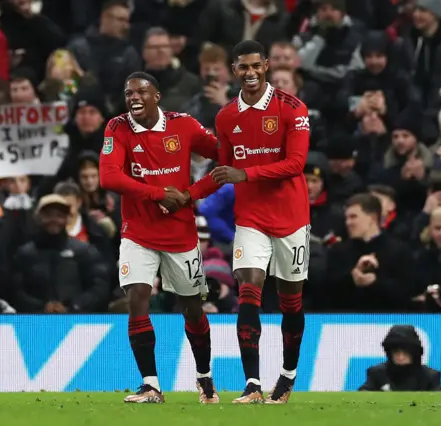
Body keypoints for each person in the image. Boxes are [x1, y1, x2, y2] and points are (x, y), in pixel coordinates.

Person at [186, 40, 311, 404]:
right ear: (234, 70)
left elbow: (295, 164)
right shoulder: (226, 117)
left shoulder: (293, 108)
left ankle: (286, 377)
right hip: (251, 220)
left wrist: (246, 174)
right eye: (243, 67)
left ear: (267, 66)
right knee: (248, 293)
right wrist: (187, 195)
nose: (251, 73)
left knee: (291, 303)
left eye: (256, 66)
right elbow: (224, 172)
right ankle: (252, 384)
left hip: (291, 218)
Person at [99, 71, 220, 404]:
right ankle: (151, 385)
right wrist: (157, 194)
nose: (134, 97)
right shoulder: (117, 127)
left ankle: (204, 376)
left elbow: (224, 156)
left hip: (180, 234)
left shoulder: (183, 125)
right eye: (128, 93)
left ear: (157, 96)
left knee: (192, 308)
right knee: (137, 297)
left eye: (141, 91)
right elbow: (108, 176)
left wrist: (190, 194)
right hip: (137, 232)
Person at [358, 325, 441, 391]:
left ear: (414, 354)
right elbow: (364, 394)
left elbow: (440, 401)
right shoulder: (377, 374)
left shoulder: (430, 376)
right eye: (396, 352)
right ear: (390, 353)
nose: (401, 357)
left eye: (405, 353)